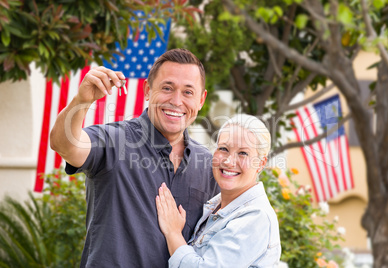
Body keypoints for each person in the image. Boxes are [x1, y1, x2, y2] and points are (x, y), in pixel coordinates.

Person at [50, 48, 219, 267]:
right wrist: (82, 101)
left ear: (201, 100)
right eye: (167, 88)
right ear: (148, 90)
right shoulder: (114, 141)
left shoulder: (208, 165)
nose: (176, 101)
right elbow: (63, 144)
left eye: (188, 92)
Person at [156, 114, 281, 267]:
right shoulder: (215, 206)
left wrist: (173, 233)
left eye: (243, 153)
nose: (229, 161)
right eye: (223, 149)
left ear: (261, 163)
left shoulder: (256, 217)